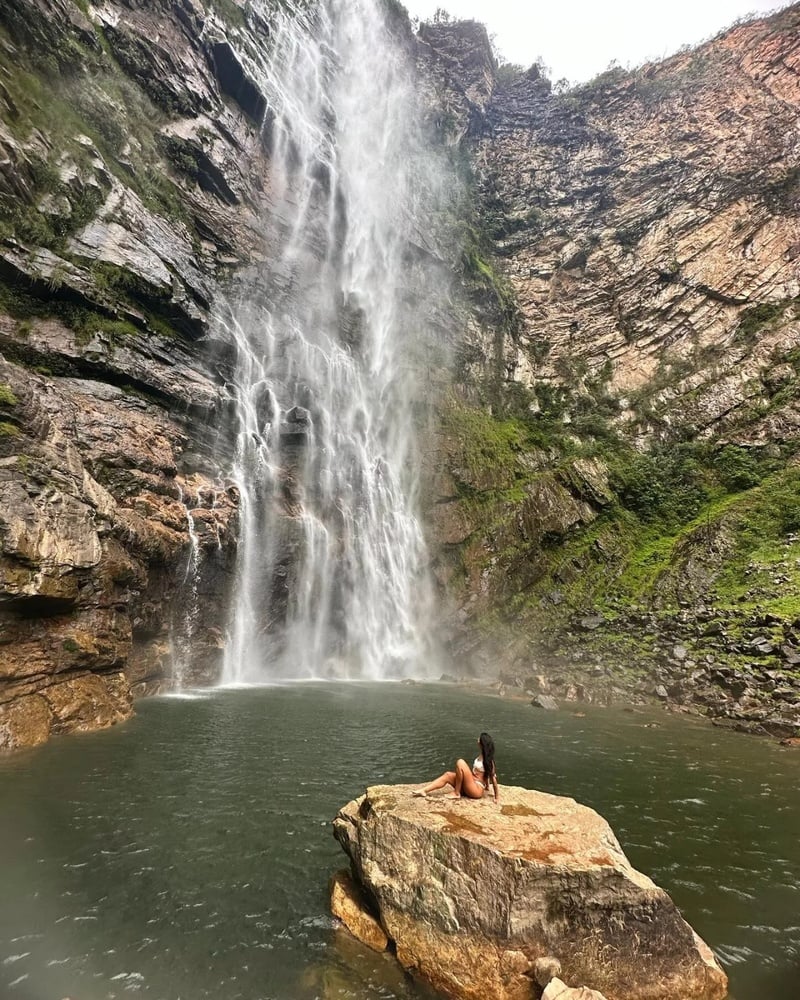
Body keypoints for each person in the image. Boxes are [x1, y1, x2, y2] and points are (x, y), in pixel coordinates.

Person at [412, 732, 499, 803]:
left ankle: (457, 793)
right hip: (469, 785)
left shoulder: (489, 761)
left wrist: (496, 797)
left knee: (460, 762)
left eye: (479, 738)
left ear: (482, 744)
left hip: (475, 789)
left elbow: (493, 778)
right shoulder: (481, 756)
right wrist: (487, 786)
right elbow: (485, 774)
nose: (478, 739)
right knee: (448, 775)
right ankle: (424, 790)